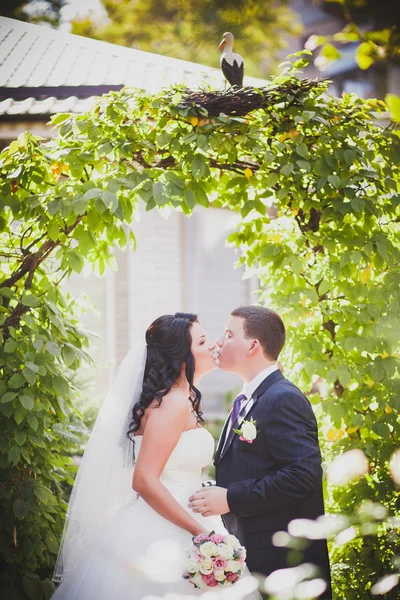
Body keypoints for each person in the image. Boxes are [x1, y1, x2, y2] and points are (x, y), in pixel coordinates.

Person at [51, 312, 260, 600]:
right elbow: (144, 480)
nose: (212, 344)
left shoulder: (182, 398)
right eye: (202, 341)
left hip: (183, 515)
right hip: (167, 528)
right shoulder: (172, 403)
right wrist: (202, 535)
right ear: (182, 357)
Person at [189, 306, 333, 599]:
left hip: (284, 562)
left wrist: (231, 498)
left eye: (229, 335)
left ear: (253, 345)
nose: (219, 343)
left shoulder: (283, 398)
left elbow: (302, 476)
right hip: (249, 556)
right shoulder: (246, 400)